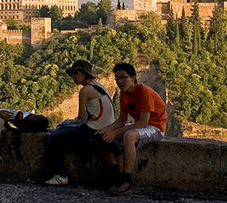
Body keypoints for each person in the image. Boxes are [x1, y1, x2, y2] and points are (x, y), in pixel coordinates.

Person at [96, 62, 167, 196]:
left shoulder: (144, 92)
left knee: (129, 136)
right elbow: (121, 120)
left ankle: (127, 181)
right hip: (142, 126)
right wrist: (105, 130)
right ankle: (115, 175)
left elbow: (142, 123)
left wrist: (115, 132)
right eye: (117, 78)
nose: (120, 81)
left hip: (155, 127)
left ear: (133, 78)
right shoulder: (124, 94)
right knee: (100, 138)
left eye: (124, 77)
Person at [44, 60, 115, 186]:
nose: (73, 77)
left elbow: (80, 119)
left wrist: (64, 125)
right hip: (106, 126)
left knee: (54, 137)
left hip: (94, 128)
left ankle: (60, 175)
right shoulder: (100, 86)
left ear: (82, 74)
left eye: (75, 74)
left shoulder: (85, 90)